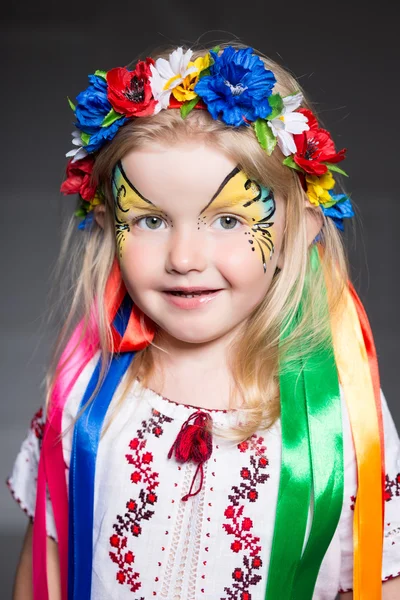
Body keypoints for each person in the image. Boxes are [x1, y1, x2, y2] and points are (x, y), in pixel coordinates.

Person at [7, 41, 400, 600]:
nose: (184, 257)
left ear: (301, 228)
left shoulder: (340, 413)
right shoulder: (86, 396)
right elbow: (39, 579)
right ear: (106, 221)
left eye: (227, 219)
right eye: (149, 219)